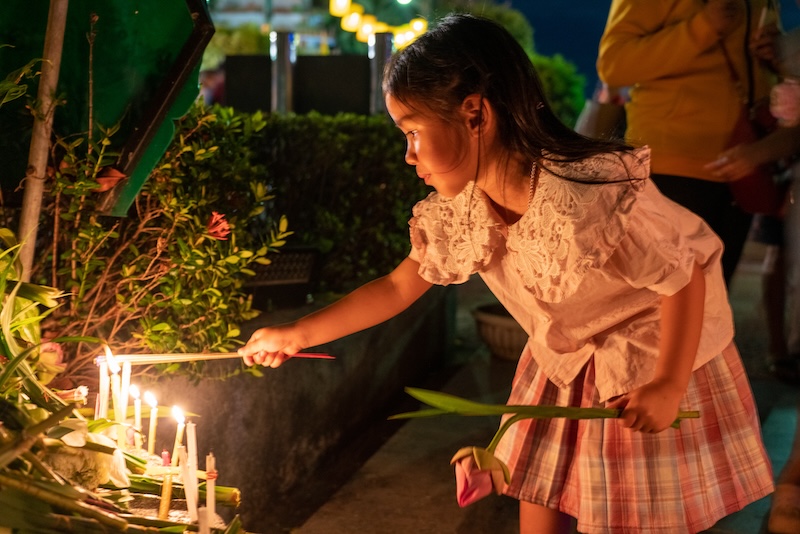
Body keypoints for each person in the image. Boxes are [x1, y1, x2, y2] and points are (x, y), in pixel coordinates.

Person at [239, 14, 773, 534]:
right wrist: (298, 333)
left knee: (625, 511)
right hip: (565, 356)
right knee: (538, 496)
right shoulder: (463, 209)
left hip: (652, 354)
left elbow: (682, 278)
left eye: (413, 131)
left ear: (474, 114)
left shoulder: (591, 196)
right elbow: (400, 285)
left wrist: (668, 383)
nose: (408, 155)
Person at [597, 0, 797, 286]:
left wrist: (774, 57)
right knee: (661, 305)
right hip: (672, 169)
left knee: (712, 310)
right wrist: (703, 26)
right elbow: (613, 63)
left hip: (743, 167)